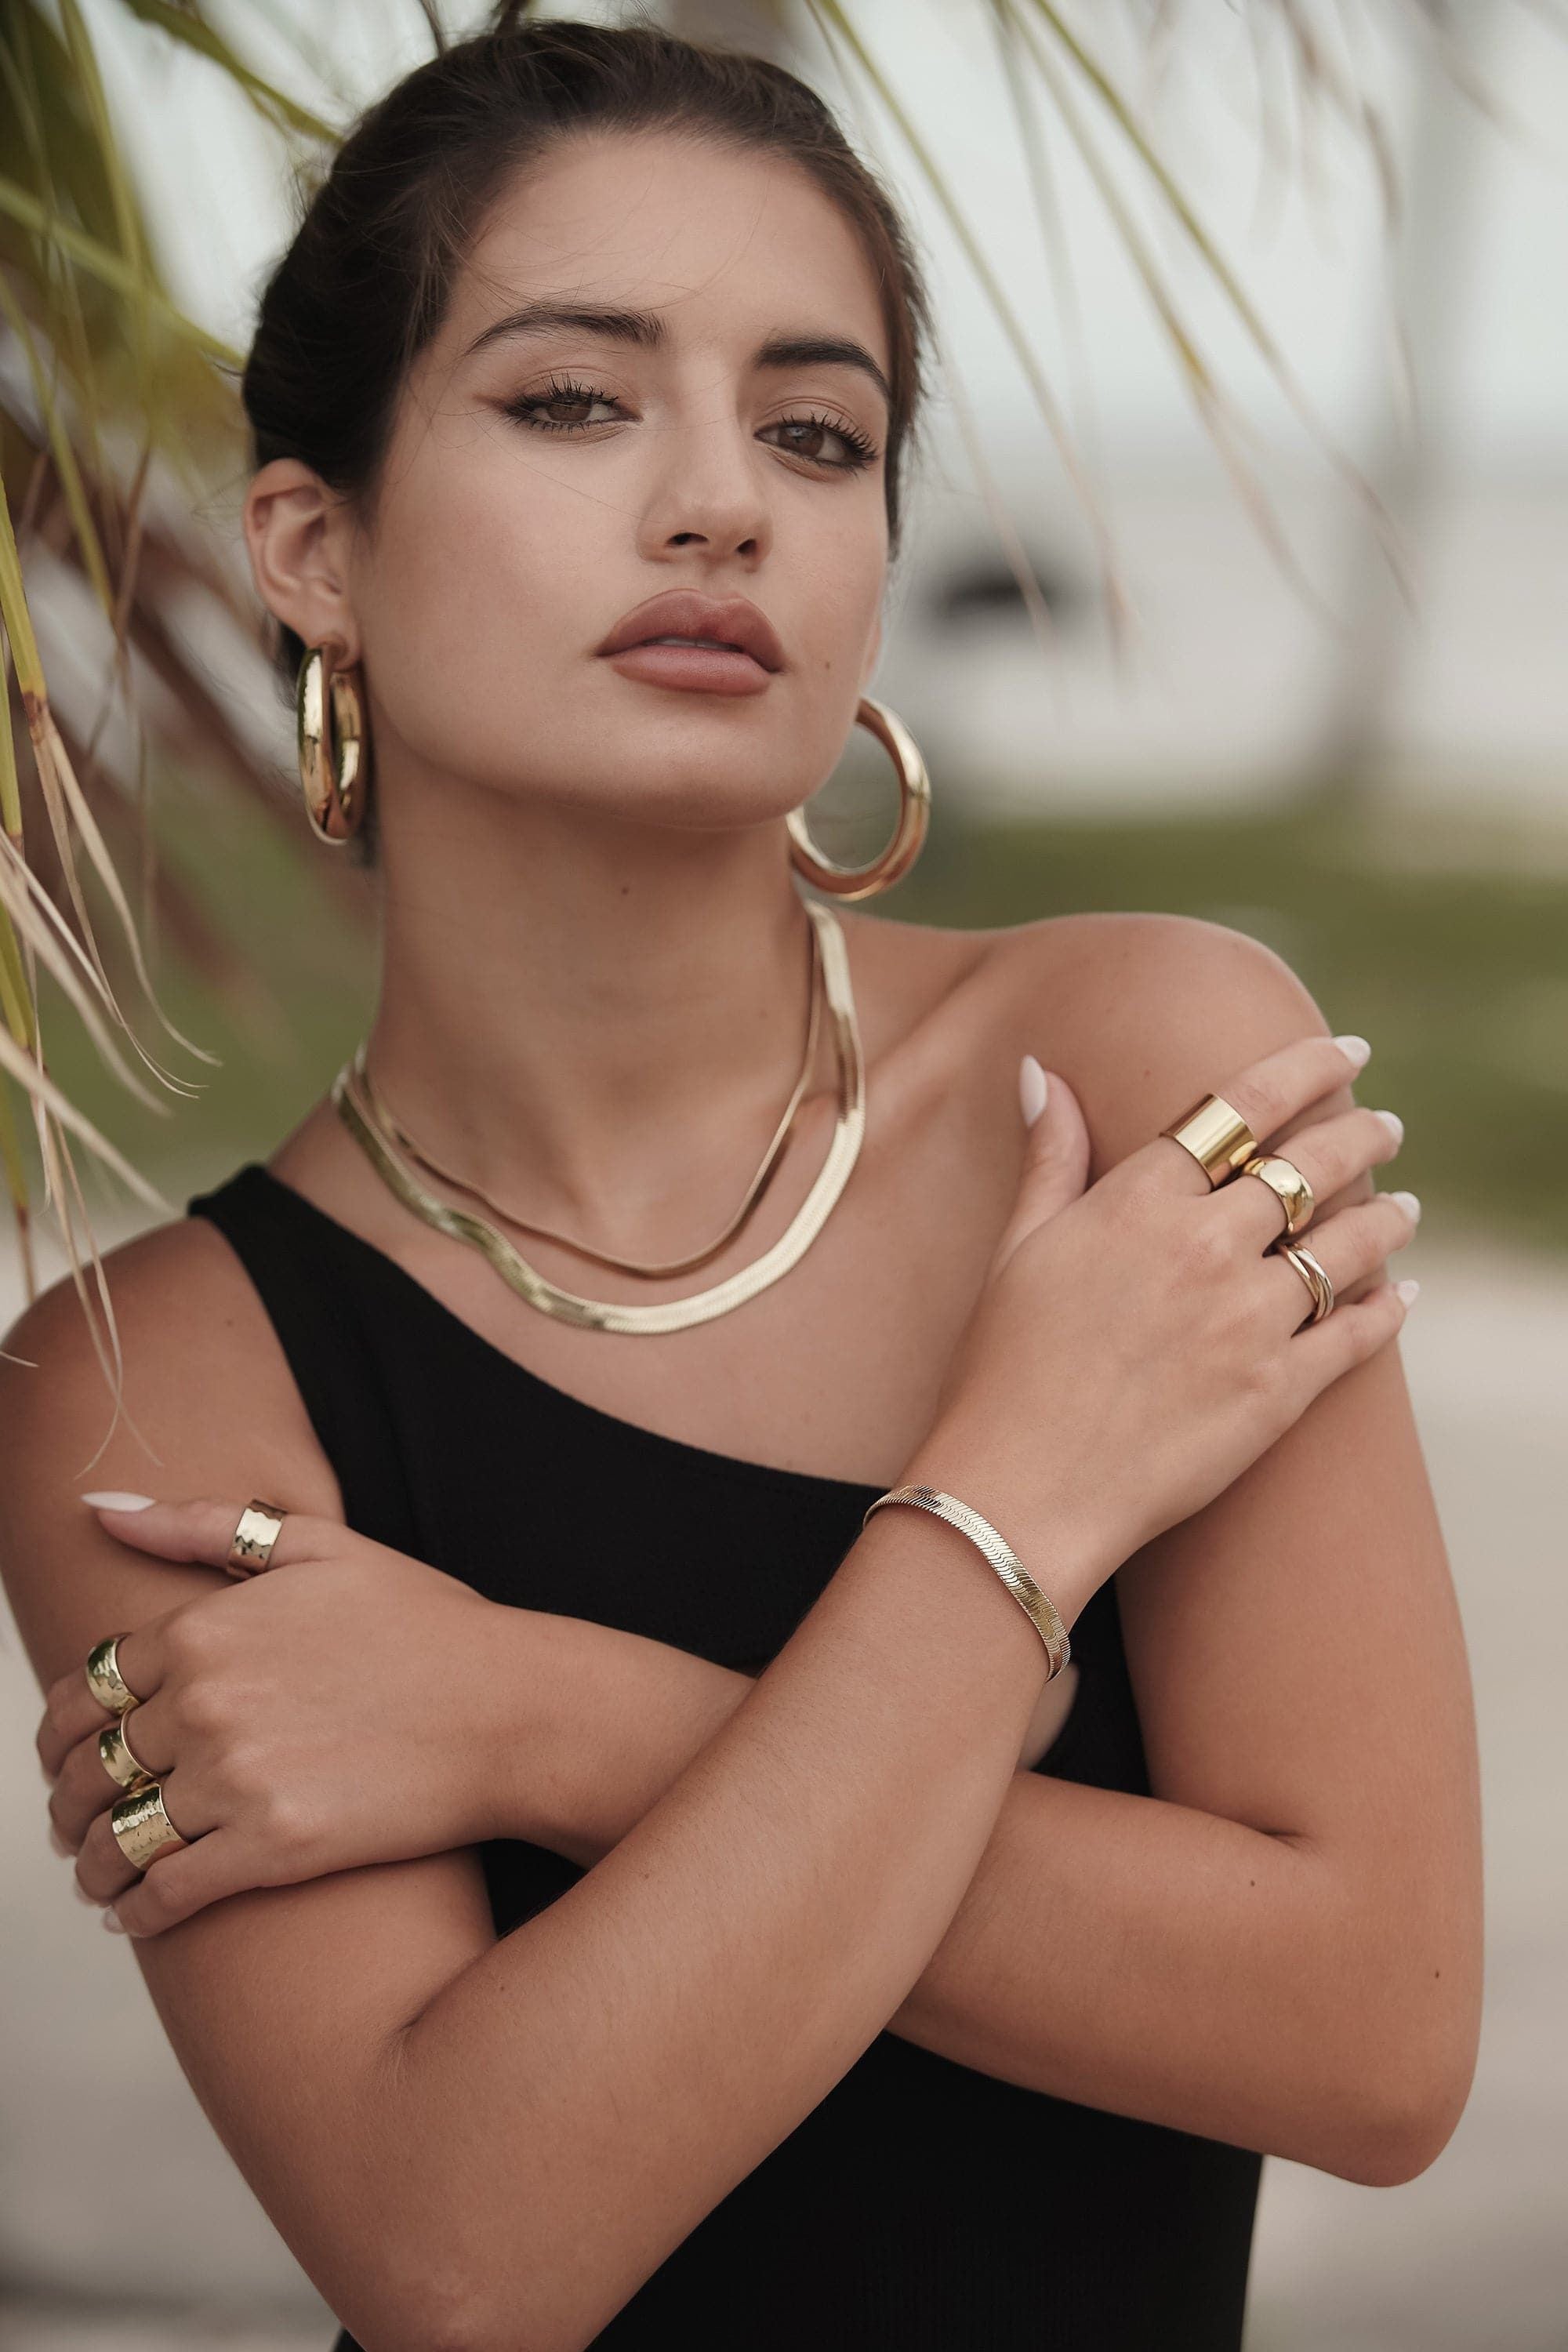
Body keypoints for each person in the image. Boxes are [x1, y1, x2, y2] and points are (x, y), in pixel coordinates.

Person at [2, 16, 1481, 2351]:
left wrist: (527, 1714)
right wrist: (1031, 1485)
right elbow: (464, 2246)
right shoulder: (152, 1385)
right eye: (574, 402)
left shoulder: (1147, 1065)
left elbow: (1371, 2036)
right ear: (316, 545)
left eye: (818, 432)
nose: (724, 505)